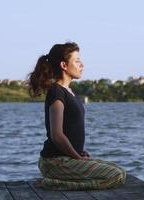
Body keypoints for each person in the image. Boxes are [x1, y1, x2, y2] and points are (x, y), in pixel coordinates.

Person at [27, 42, 126, 190]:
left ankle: (59, 179)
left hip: (68, 158)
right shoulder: (56, 92)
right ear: (64, 65)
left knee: (121, 171)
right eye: (77, 60)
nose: (82, 64)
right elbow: (57, 135)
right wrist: (77, 157)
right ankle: (54, 183)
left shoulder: (69, 92)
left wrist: (79, 154)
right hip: (55, 163)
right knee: (116, 175)